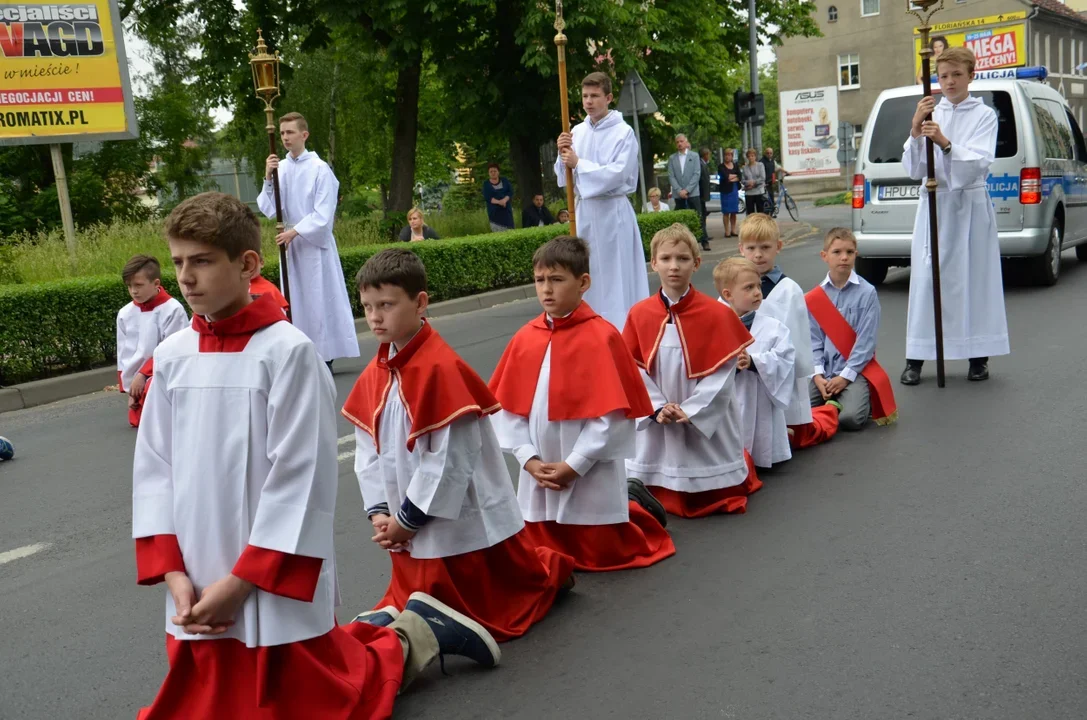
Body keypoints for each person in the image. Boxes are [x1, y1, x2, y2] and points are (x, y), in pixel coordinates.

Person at [132, 192, 500, 720]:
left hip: (264, 571)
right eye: (179, 262)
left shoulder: (288, 352)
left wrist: (244, 581)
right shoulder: (171, 358)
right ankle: (396, 628)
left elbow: (300, 480)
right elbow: (153, 472)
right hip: (194, 568)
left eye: (203, 261)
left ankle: (413, 636)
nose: (186, 277)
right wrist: (172, 572)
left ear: (248, 264)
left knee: (322, 699)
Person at [341, 249, 574, 642]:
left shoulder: (440, 368)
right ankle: (410, 617)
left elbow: (450, 462)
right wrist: (380, 511)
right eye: (367, 306)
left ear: (420, 303)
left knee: (480, 603)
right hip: (405, 516)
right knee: (415, 594)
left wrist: (408, 521)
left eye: (386, 304)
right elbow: (369, 445)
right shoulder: (376, 373)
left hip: (451, 515)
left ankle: (549, 575)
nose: (376, 316)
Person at [489, 236, 675, 572]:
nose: (547, 290)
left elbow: (613, 416)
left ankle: (636, 503)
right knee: (538, 552)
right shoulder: (524, 338)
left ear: (583, 282)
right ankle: (632, 496)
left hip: (587, 470)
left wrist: (575, 465)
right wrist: (527, 459)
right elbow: (510, 410)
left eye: (557, 280)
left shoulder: (601, 336)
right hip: (539, 466)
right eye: (540, 280)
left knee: (604, 553)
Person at [623, 224, 762, 517]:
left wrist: (691, 411)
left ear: (696, 263)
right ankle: (652, 489)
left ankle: (706, 487)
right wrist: (657, 408)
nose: (674, 266)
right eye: (666, 258)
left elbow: (723, 374)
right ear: (654, 263)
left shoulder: (718, 314)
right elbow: (633, 370)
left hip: (701, 410)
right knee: (656, 455)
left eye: (683, 259)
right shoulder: (639, 313)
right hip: (658, 407)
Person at [901, 46, 1009, 384]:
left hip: (969, 205)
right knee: (926, 280)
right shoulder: (932, 111)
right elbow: (914, 167)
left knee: (974, 279)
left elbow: (979, 161)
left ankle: (978, 357)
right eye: (943, 76)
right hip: (935, 204)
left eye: (956, 75)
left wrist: (945, 143)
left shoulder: (984, 114)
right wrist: (916, 131)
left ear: (970, 75)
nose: (949, 82)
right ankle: (916, 358)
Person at [257, 111, 360, 370]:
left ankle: (325, 353)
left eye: (290, 132)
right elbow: (271, 209)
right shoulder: (281, 168)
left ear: (304, 135)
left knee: (317, 298)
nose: (285, 138)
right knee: (296, 300)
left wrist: (295, 232)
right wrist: (268, 178)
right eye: (282, 133)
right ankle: (300, 351)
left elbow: (324, 214)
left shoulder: (319, 168)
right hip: (291, 245)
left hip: (313, 246)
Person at [555, 72, 650, 332]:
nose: (588, 101)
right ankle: (588, 326)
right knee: (589, 270)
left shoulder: (623, 132)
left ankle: (621, 328)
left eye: (594, 96)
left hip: (612, 211)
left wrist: (579, 164)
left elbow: (618, 173)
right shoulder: (577, 131)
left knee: (616, 273)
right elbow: (565, 177)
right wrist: (561, 150)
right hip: (585, 212)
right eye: (585, 96)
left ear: (608, 98)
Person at [807, 227, 898, 432]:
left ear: (856, 255)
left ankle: (850, 401)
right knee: (799, 412)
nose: (844, 258)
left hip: (855, 371)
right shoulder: (815, 297)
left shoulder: (867, 293)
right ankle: (833, 402)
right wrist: (818, 375)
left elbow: (866, 343)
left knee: (850, 420)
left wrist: (844, 377)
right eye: (837, 252)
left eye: (849, 252)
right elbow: (813, 341)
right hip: (825, 371)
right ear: (825, 256)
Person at [715, 257, 795, 469]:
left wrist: (754, 362)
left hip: (759, 398)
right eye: (749, 287)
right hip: (729, 398)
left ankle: (762, 456)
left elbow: (785, 357)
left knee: (758, 445)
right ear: (727, 294)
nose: (758, 292)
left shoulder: (773, 326)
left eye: (758, 285)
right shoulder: (713, 324)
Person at [738, 214, 815, 432]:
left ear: (778, 246)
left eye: (765, 247)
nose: (758, 255)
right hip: (744, 372)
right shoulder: (731, 289)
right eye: (751, 248)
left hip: (779, 373)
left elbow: (798, 343)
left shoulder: (789, 289)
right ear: (741, 248)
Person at [116, 254, 188, 428]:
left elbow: (173, 351)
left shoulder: (172, 310)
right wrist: (128, 389)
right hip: (137, 383)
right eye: (130, 286)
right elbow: (123, 353)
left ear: (156, 284)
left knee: (158, 424)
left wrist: (143, 374)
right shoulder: (125, 313)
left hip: (163, 377)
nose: (133, 291)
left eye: (139, 285)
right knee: (138, 422)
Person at [666, 134, 701, 212]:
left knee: (697, 218)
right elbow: (671, 176)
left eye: (681, 141)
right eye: (677, 142)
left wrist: (687, 190)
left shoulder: (694, 156)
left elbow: (696, 174)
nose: (679, 144)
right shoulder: (672, 158)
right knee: (680, 219)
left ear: (686, 142)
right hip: (678, 195)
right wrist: (679, 190)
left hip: (693, 193)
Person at [482, 163, 515, 232]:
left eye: (495, 171)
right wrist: (499, 202)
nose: (493, 173)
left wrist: (504, 200)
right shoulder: (486, 184)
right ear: (488, 173)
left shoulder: (505, 180)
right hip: (494, 212)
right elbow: (488, 197)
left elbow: (510, 192)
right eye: (491, 171)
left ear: (498, 172)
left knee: (510, 231)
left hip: (506, 211)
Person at [760, 148, 788, 217]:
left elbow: (778, 167)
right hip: (764, 184)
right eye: (767, 153)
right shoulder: (761, 162)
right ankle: (766, 215)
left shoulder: (772, 161)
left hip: (770, 183)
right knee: (766, 200)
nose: (769, 154)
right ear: (765, 153)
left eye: (770, 153)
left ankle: (772, 214)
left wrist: (786, 172)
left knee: (771, 198)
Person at [719, 149, 741, 237]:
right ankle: (727, 231)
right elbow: (725, 176)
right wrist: (733, 176)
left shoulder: (735, 165)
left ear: (732, 156)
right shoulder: (721, 166)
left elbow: (740, 176)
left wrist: (733, 177)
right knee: (726, 212)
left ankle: (733, 230)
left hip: (734, 190)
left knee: (734, 212)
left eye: (729, 155)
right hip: (725, 191)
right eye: (726, 155)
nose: (727, 156)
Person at [742, 149, 767, 215]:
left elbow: (762, 178)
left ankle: (760, 225)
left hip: (759, 191)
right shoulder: (745, 168)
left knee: (760, 212)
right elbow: (743, 180)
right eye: (749, 156)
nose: (751, 157)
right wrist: (748, 183)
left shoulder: (760, 165)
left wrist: (753, 182)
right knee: (750, 213)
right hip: (749, 193)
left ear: (755, 157)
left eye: (752, 156)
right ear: (747, 157)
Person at [697, 148, 712, 251]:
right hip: (700, 195)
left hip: (702, 195)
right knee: (701, 217)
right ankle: (703, 238)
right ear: (705, 155)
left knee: (703, 216)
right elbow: (703, 181)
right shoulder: (700, 164)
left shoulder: (703, 164)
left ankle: (704, 236)